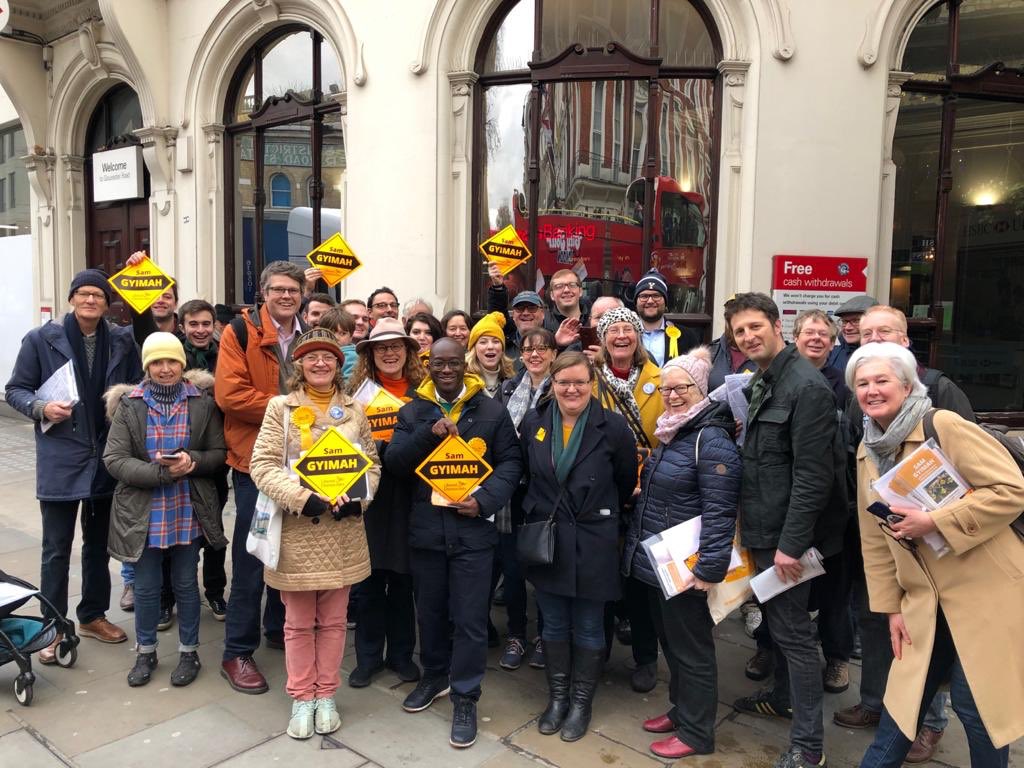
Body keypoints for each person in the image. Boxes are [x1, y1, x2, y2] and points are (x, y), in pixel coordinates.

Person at [847, 342, 1024, 768]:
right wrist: (891, 608)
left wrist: (935, 522)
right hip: (923, 601)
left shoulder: (942, 424)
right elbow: (874, 541)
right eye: (862, 383)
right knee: (901, 708)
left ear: (907, 386)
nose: (871, 390)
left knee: (977, 709)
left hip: (986, 592)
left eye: (882, 380)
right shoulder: (867, 449)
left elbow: (1012, 490)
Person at [834, 303, 973, 761]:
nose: (874, 339)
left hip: (942, 552)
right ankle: (879, 704)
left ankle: (929, 723)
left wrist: (936, 521)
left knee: (927, 643)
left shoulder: (940, 395)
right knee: (881, 625)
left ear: (906, 340)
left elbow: (978, 472)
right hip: (886, 541)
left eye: (884, 332)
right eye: (866, 334)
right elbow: (857, 465)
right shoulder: (861, 401)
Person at [727, 293, 847, 768]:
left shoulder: (806, 387)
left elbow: (814, 477)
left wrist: (791, 546)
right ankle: (781, 699)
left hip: (786, 540)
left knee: (795, 636)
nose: (748, 336)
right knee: (777, 628)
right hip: (763, 528)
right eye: (740, 331)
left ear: (778, 326)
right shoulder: (765, 377)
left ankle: (808, 746)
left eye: (755, 326)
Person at [385, 337, 521, 749]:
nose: (446, 370)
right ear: (428, 366)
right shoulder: (412, 411)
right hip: (427, 532)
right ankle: (434, 677)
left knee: (470, 619)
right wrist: (429, 434)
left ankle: (465, 696)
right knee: (429, 612)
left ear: (465, 364)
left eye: (453, 363)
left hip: (472, 533)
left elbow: (511, 463)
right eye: (438, 363)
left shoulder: (492, 411)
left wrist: (484, 501)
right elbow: (394, 463)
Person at [249, 328, 381, 739]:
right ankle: (301, 697)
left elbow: (372, 464)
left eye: (327, 357)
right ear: (300, 364)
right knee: (298, 622)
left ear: (338, 364)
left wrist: (359, 499)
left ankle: (326, 695)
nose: (320, 363)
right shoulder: (281, 408)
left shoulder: (355, 410)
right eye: (311, 357)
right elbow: (262, 465)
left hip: (343, 531)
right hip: (298, 530)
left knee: (335, 621)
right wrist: (301, 498)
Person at [5, 269, 142, 659]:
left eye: (98, 295)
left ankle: (92, 616)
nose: (90, 300)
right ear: (72, 299)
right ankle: (52, 626)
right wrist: (40, 407)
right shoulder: (41, 339)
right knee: (56, 549)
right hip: (62, 458)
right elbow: (15, 389)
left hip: (106, 456)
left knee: (98, 546)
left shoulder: (121, 340)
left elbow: (136, 385)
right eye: (83, 294)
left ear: (107, 303)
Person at [622, 347, 741, 759]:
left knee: (693, 651)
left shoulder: (711, 439)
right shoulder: (675, 432)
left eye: (682, 388)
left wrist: (709, 568)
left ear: (700, 389)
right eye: (666, 388)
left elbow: (721, 510)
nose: (672, 395)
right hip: (663, 563)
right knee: (672, 644)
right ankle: (681, 710)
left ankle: (697, 732)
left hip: (688, 567)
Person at [520, 352, 638, 741]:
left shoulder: (614, 427)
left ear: (592, 384)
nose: (572, 390)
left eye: (579, 382)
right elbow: (526, 473)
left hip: (593, 538)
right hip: (550, 539)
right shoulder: (535, 422)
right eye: (563, 382)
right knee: (552, 622)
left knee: (588, 624)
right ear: (552, 384)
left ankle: (581, 702)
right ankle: (558, 698)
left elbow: (624, 481)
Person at [103, 332, 226, 687]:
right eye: (157, 362)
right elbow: (114, 458)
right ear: (147, 366)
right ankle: (146, 651)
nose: (165, 368)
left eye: (172, 360)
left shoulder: (201, 403)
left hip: (187, 506)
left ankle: (189, 651)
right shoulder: (130, 405)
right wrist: (161, 473)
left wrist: (193, 460)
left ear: (182, 364)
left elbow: (219, 453)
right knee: (146, 587)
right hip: (143, 510)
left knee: (186, 583)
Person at [214, 260, 307, 694]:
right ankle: (236, 651)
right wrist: (289, 410)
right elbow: (230, 395)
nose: (286, 296)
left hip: (299, 464)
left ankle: (276, 629)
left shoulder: (308, 335)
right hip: (255, 463)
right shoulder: (239, 332)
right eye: (278, 290)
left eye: (293, 290)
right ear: (264, 293)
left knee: (287, 551)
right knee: (253, 554)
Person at [346, 317, 426, 688]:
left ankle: (401, 655)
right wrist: (383, 449)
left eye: (396, 346)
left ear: (408, 351)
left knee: (404, 580)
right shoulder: (355, 395)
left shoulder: (423, 391)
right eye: (381, 348)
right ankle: (367, 658)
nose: (389, 353)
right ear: (370, 354)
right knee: (369, 581)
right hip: (371, 496)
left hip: (410, 494)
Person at [591, 306, 663, 692]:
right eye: (613, 330)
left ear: (638, 336)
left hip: (649, 491)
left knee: (641, 582)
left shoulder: (661, 378)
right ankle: (598, 652)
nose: (621, 336)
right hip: (604, 488)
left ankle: (646, 658)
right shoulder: (590, 380)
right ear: (603, 339)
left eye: (628, 329)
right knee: (602, 577)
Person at [494, 326, 556, 670]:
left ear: (553, 354)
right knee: (513, 568)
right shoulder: (507, 388)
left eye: (542, 349)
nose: (534, 355)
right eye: (528, 349)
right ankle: (516, 636)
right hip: (510, 493)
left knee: (544, 567)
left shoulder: (559, 390)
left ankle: (545, 637)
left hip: (543, 492)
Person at [633, 269, 700, 367]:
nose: (650, 301)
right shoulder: (625, 335)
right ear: (636, 302)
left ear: (665, 302)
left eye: (656, 296)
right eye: (644, 296)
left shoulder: (687, 336)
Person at [486, 263, 547, 358]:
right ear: (513, 314)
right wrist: (497, 287)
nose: (525, 313)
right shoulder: (504, 341)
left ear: (542, 313)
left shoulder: (555, 340)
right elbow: (497, 313)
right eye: (520, 308)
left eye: (532, 308)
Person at [465, 311, 515, 399]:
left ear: (502, 348)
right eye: (483, 342)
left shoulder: (513, 382)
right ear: (474, 348)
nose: (490, 347)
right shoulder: (462, 382)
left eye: (496, 341)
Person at [826, 295, 878, 373]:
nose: (847, 328)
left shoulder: (887, 356)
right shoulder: (830, 353)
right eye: (844, 321)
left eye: (856, 321)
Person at [317, 306, 358, 380]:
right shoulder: (316, 353)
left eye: (343, 333)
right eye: (331, 332)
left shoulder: (351, 357)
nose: (336, 337)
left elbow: (349, 383)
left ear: (351, 337)